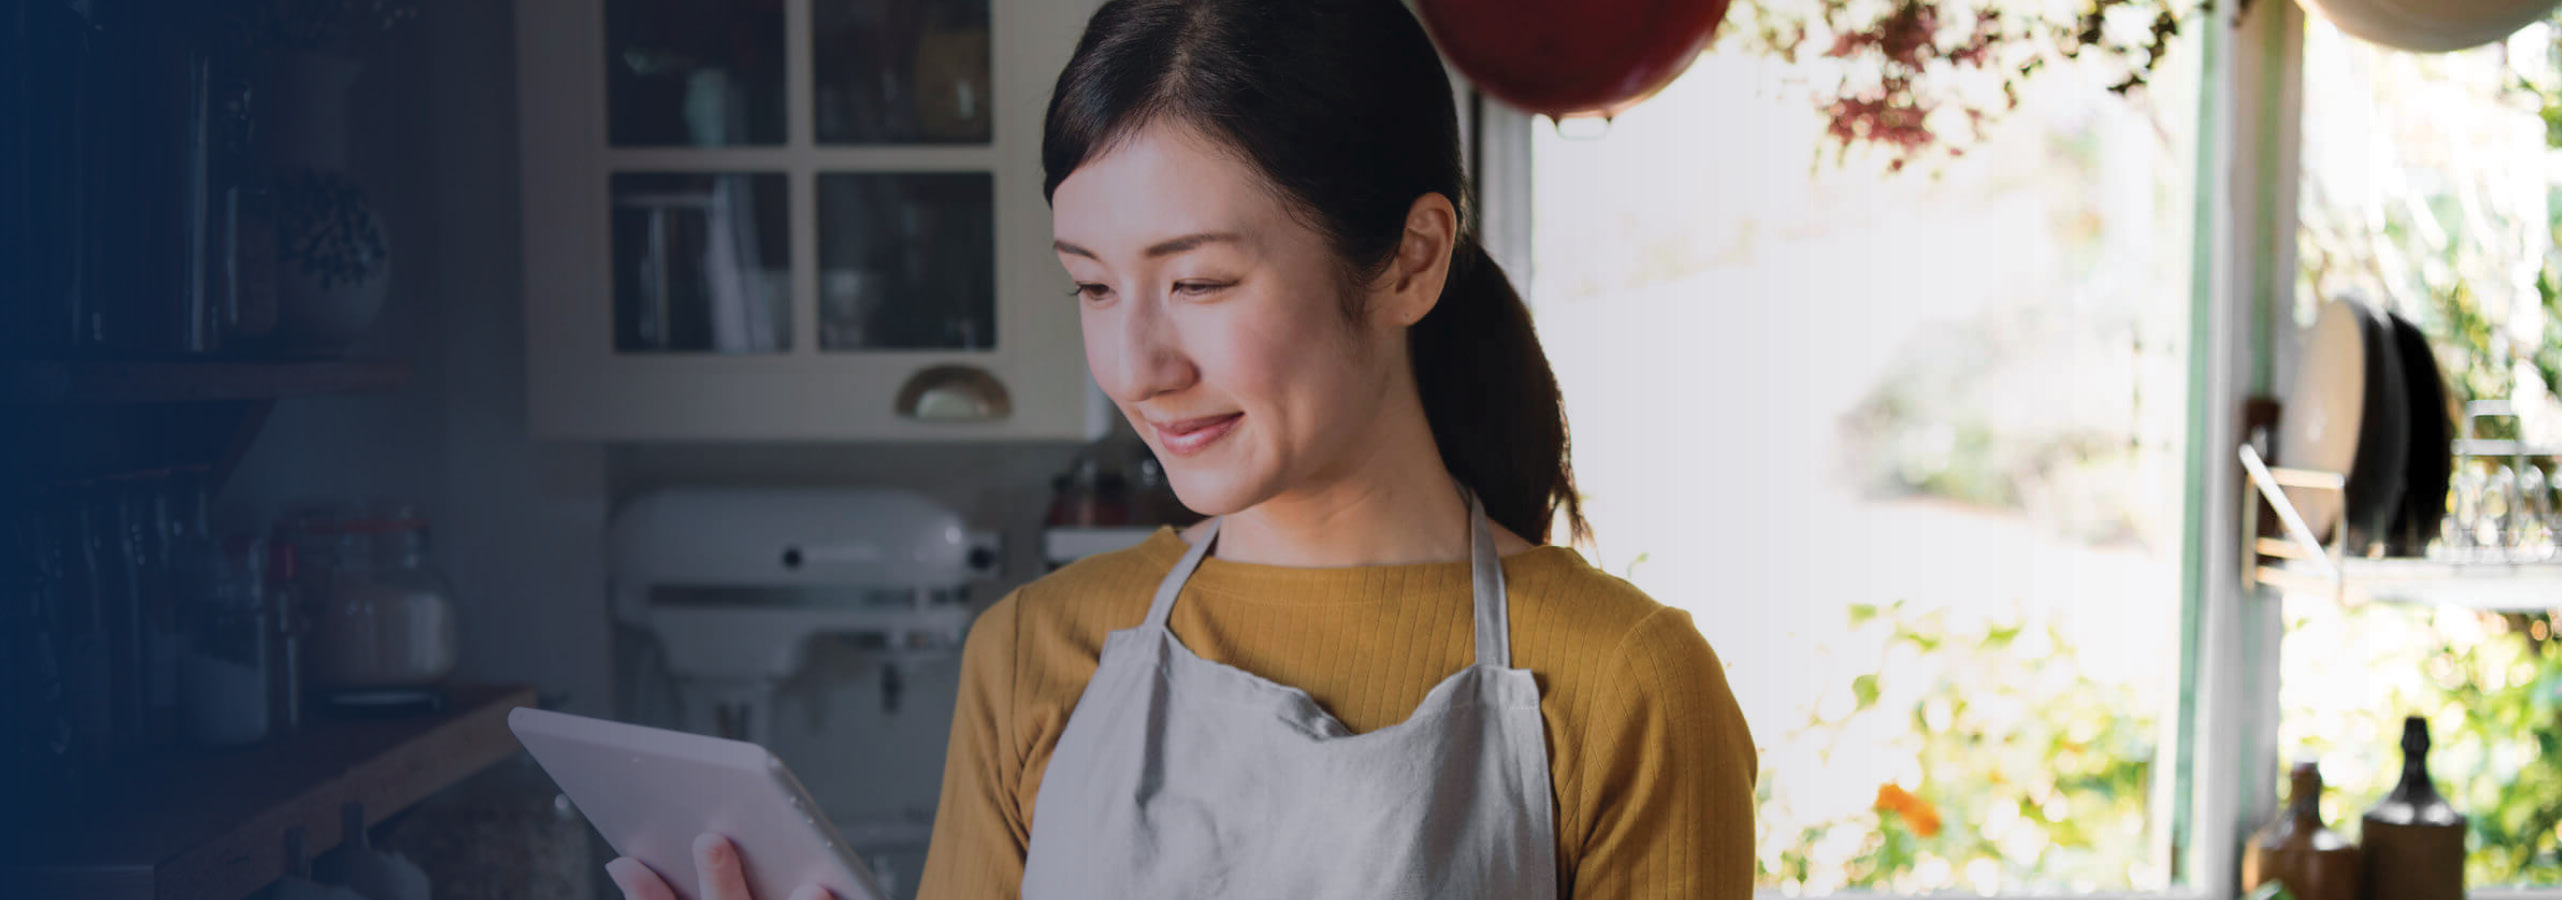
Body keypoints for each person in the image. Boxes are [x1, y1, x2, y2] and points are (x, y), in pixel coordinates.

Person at [606, 1, 1755, 898]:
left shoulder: (1627, 688)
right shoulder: (1032, 655)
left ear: (1411, 258)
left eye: (1200, 281)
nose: (1138, 367)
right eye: (1093, 288)